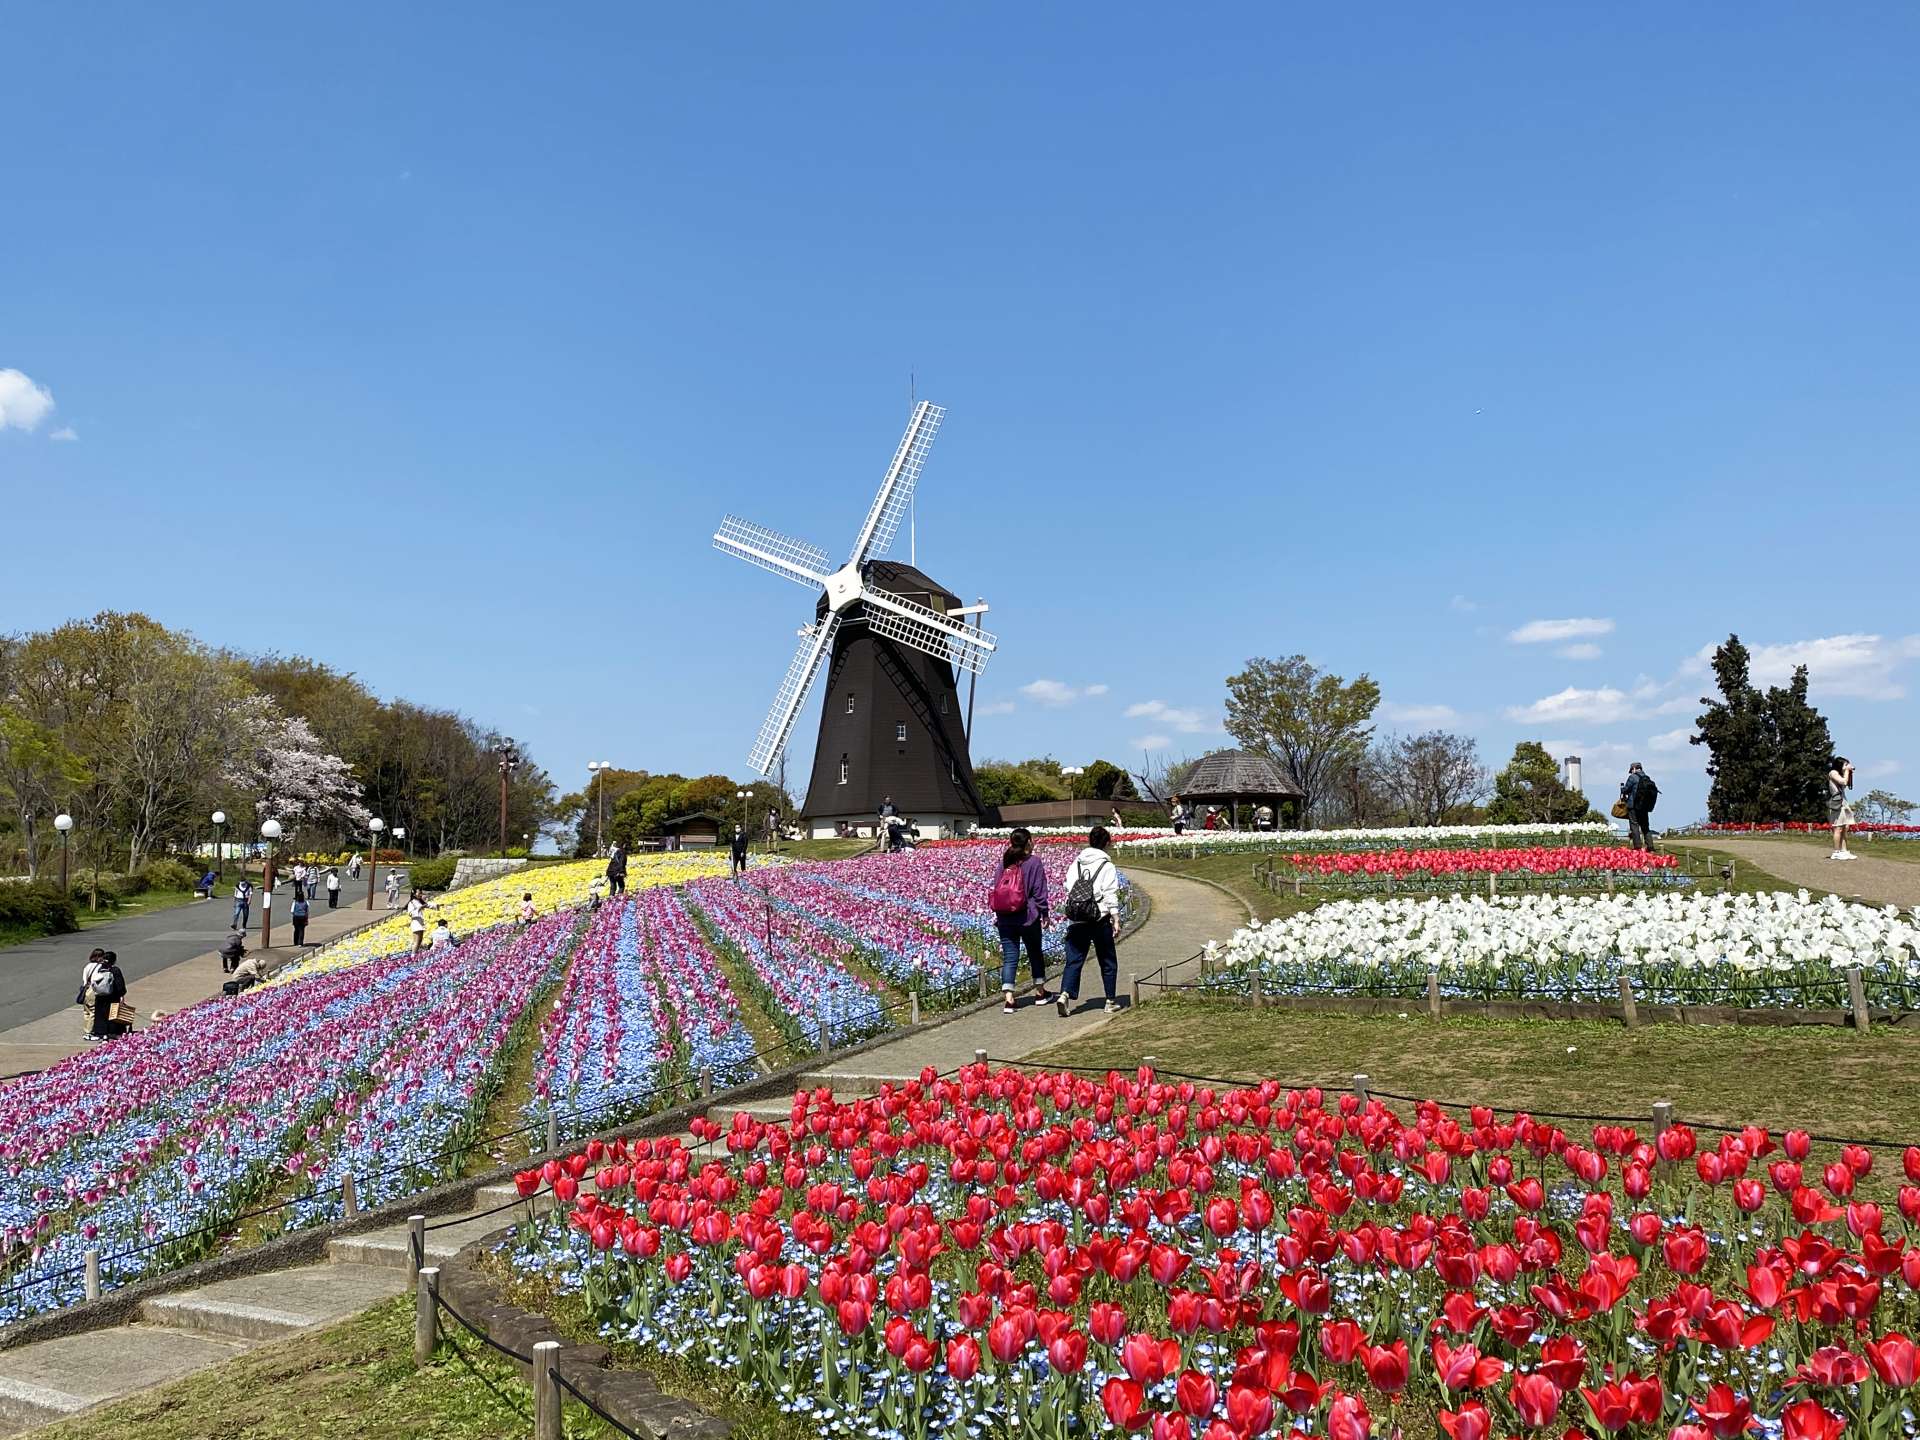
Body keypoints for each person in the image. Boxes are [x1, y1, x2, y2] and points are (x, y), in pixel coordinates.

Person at [1056, 825, 1123, 1016]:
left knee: (1074, 959)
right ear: (1107, 843)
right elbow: (1110, 894)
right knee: (1107, 960)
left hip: (1077, 918)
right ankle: (1110, 1001)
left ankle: (1065, 994)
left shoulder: (1076, 863)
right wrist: (1116, 918)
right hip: (1099, 918)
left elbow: (1069, 887)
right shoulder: (1106, 866)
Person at [989, 827, 1051, 1013]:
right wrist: (1045, 913)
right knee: (1035, 953)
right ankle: (1040, 993)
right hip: (1028, 917)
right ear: (1029, 842)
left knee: (1010, 957)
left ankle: (1009, 999)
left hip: (1005, 918)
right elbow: (1039, 892)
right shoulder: (1034, 862)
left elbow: (997, 889)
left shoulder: (1004, 863)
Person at [87, 950, 129, 1041]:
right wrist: (121, 995)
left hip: (100, 997)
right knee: (113, 1015)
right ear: (114, 960)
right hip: (113, 997)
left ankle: (102, 1032)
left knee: (101, 1015)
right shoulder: (115, 970)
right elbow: (120, 985)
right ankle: (113, 1032)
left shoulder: (99, 969)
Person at [1620, 763, 1658, 852]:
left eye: (1631, 770)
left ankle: (1637, 847)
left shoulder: (1632, 777)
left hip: (1633, 806)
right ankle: (1650, 847)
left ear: (1634, 768)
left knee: (1634, 826)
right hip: (1644, 807)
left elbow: (1626, 789)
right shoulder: (1646, 777)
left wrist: (1622, 788)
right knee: (1645, 826)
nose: (1631, 772)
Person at [1829, 756, 1857, 860]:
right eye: (1845, 764)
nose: (1847, 766)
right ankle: (1836, 852)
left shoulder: (1841, 774)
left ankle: (1844, 851)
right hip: (1837, 803)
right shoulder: (1833, 773)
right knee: (1838, 828)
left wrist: (1848, 772)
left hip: (1844, 802)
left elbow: (1847, 784)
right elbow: (1843, 782)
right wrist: (1847, 771)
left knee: (1845, 828)